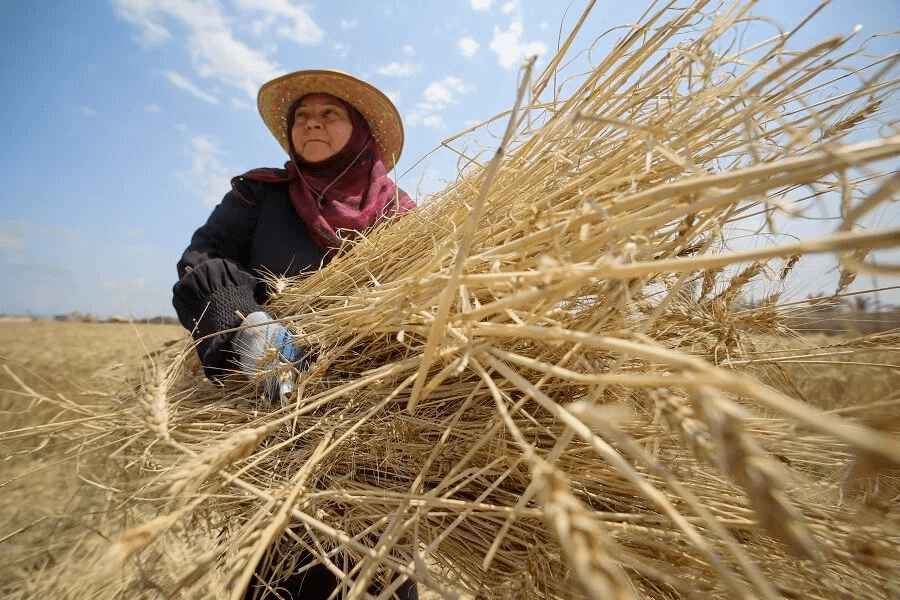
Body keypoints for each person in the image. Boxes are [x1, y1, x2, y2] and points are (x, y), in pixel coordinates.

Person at [171, 70, 418, 599]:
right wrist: (246, 325)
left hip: (376, 425)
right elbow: (202, 259)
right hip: (274, 415)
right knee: (284, 568)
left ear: (360, 132)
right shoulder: (260, 194)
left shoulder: (401, 216)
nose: (312, 124)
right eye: (302, 116)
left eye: (329, 114)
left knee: (375, 568)